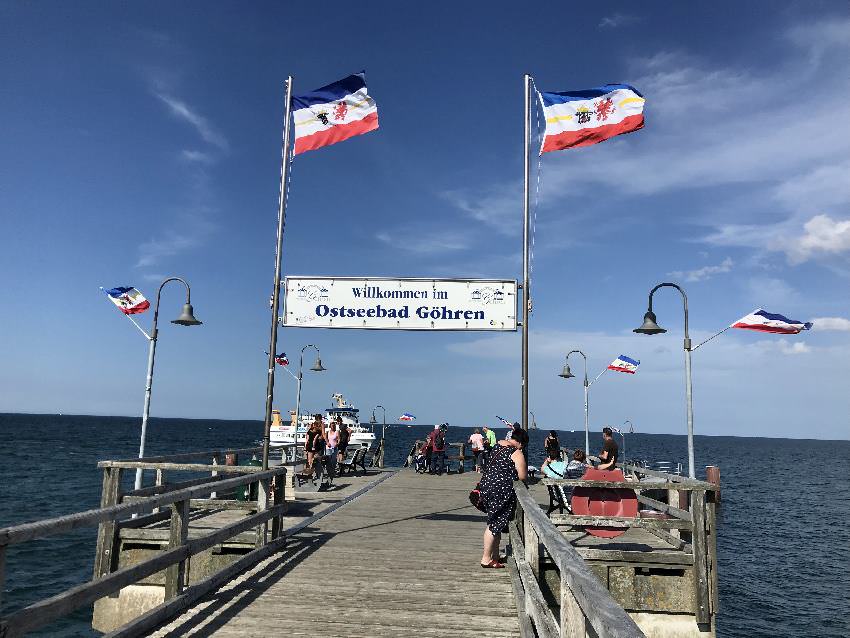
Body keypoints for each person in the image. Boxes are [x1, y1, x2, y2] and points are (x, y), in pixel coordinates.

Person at [479, 428, 528, 568]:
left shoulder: (498, 445)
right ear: (520, 442)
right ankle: (486, 558)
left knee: (495, 521)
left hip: (487, 487)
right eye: (523, 445)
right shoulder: (516, 452)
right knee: (494, 524)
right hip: (500, 491)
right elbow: (523, 476)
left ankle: (494, 555)